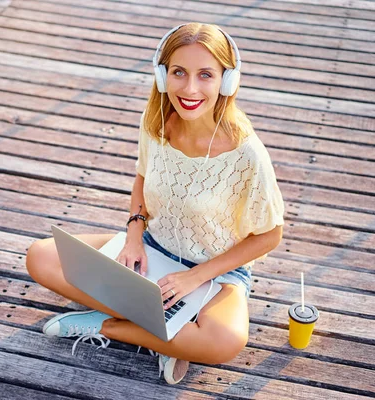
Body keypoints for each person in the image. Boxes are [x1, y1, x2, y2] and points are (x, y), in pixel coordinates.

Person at [26, 22, 284, 384]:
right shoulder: (157, 123)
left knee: (224, 342)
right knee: (41, 257)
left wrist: (194, 277)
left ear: (227, 81)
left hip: (215, 271)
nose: (190, 88)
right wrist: (133, 236)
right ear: (162, 76)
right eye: (179, 72)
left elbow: (270, 236)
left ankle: (110, 326)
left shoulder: (247, 154)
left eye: (205, 75)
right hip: (151, 247)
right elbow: (142, 179)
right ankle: (169, 333)